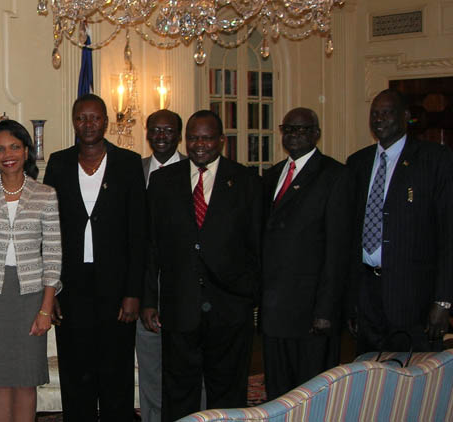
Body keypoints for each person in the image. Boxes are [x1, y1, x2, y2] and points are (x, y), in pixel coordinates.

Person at [142, 110, 262, 421]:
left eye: (207, 138)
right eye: (193, 137)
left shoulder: (247, 181)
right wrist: (149, 300)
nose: (199, 145)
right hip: (179, 305)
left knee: (228, 393)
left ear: (221, 140)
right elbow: (151, 246)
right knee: (179, 392)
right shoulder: (162, 180)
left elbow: (257, 246)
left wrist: (250, 295)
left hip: (230, 308)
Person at [43, 93, 145, 422]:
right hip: (71, 287)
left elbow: (137, 233)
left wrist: (133, 292)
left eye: (95, 118)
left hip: (115, 288)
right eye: (81, 118)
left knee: (115, 372)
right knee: (76, 371)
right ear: (73, 122)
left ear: (106, 122)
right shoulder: (58, 164)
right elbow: (49, 230)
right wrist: (52, 292)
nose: (88, 124)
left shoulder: (128, 164)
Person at [0, 119, 62, 422]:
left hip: (31, 295)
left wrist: (46, 308)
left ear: (26, 151)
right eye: (0, 149)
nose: (8, 154)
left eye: (15, 146)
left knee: (27, 380)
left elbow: (54, 255)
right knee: (0, 380)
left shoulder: (46, 194)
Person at [347, 89, 453, 353]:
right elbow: (348, 232)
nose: (379, 119)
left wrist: (443, 301)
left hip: (414, 297)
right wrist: (350, 301)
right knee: (370, 377)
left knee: (414, 384)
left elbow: (448, 234)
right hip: (366, 293)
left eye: (387, 113)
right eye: (374, 114)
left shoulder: (435, 160)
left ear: (405, 116)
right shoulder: (357, 163)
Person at [261, 107, 351, 400]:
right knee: (279, 393)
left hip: (311, 312)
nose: (293, 135)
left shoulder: (334, 175)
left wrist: (326, 310)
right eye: (288, 129)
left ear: (316, 134)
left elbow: (337, 249)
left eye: (301, 129)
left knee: (312, 395)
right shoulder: (272, 175)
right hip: (275, 309)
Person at [137, 109, 186, 422]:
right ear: (147, 133)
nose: (161, 136)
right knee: (151, 367)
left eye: (168, 131)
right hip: (144, 284)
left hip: (186, 290)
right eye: (155, 130)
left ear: (179, 135)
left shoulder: (197, 169)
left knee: (188, 366)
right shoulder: (133, 170)